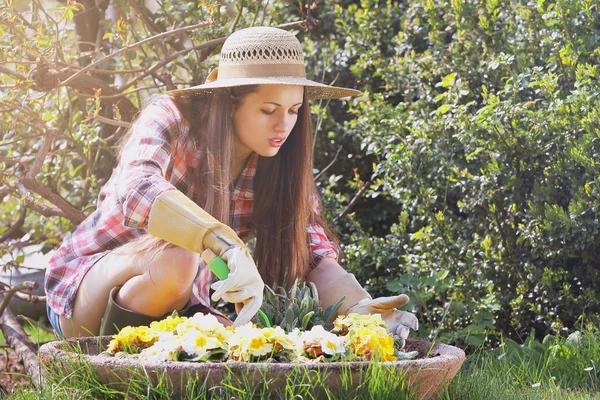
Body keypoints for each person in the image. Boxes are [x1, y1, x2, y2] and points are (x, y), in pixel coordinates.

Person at [45, 26, 418, 343]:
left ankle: (149, 366)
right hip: (87, 287)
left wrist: (360, 309)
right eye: (268, 110)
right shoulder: (171, 118)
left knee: (239, 343)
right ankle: (110, 376)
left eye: (293, 111)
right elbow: (136, 189)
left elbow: (311, 253)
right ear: (229, 101)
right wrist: (217, 241)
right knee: (179, 259)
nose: (283, 127)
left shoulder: (279, 164)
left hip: (178, 300)